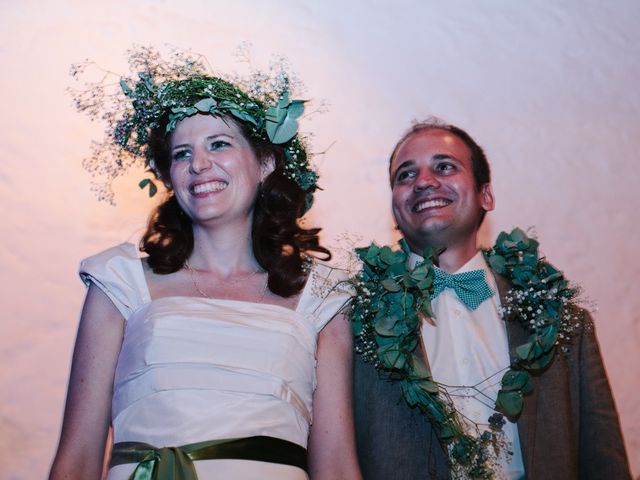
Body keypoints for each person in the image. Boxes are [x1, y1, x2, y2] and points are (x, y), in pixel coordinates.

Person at [50, 49, 361, 480]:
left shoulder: (322, 298)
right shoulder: (119, 283)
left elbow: (338, 465)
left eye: (219, 144)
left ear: (265, 163)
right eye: (181, 154)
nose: (198, 164)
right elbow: (77, 459)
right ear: (168, 177)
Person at [353, 119, 631, 479]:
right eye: (405, 175)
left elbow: (604, 462)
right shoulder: (353, 322)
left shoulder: (563, 322)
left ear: (486, 194)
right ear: (395, 205)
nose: (423, 182)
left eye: (444, 167)